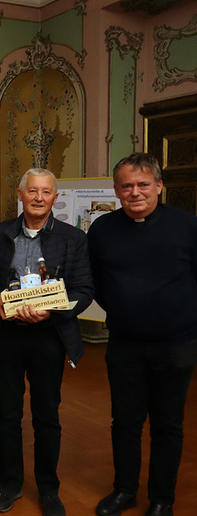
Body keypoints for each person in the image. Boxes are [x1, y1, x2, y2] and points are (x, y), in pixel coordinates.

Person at [0, 168, 93, 516]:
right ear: (20, 194)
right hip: (8, 335)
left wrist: (51, 312)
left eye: (45, 192)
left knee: (47, 416)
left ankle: (48, 489)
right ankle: (11, 483)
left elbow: (84, 290)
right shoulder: (0, 234)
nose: (38, 198)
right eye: (32, 191)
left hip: (49, 337)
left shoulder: (73, 239)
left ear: (55, 197)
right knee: (5, 414)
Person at [88, 153, 197, 516]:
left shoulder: (187, 226)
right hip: (125, 346)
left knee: (168, 425)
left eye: (143, 184)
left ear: (159, 186)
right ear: (116, 190)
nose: (135, 192)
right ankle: (125, 491)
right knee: (125, 422)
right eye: (126, 186)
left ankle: (163, 499)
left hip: (176, 345)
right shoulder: (102, 230)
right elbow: (97, 283)